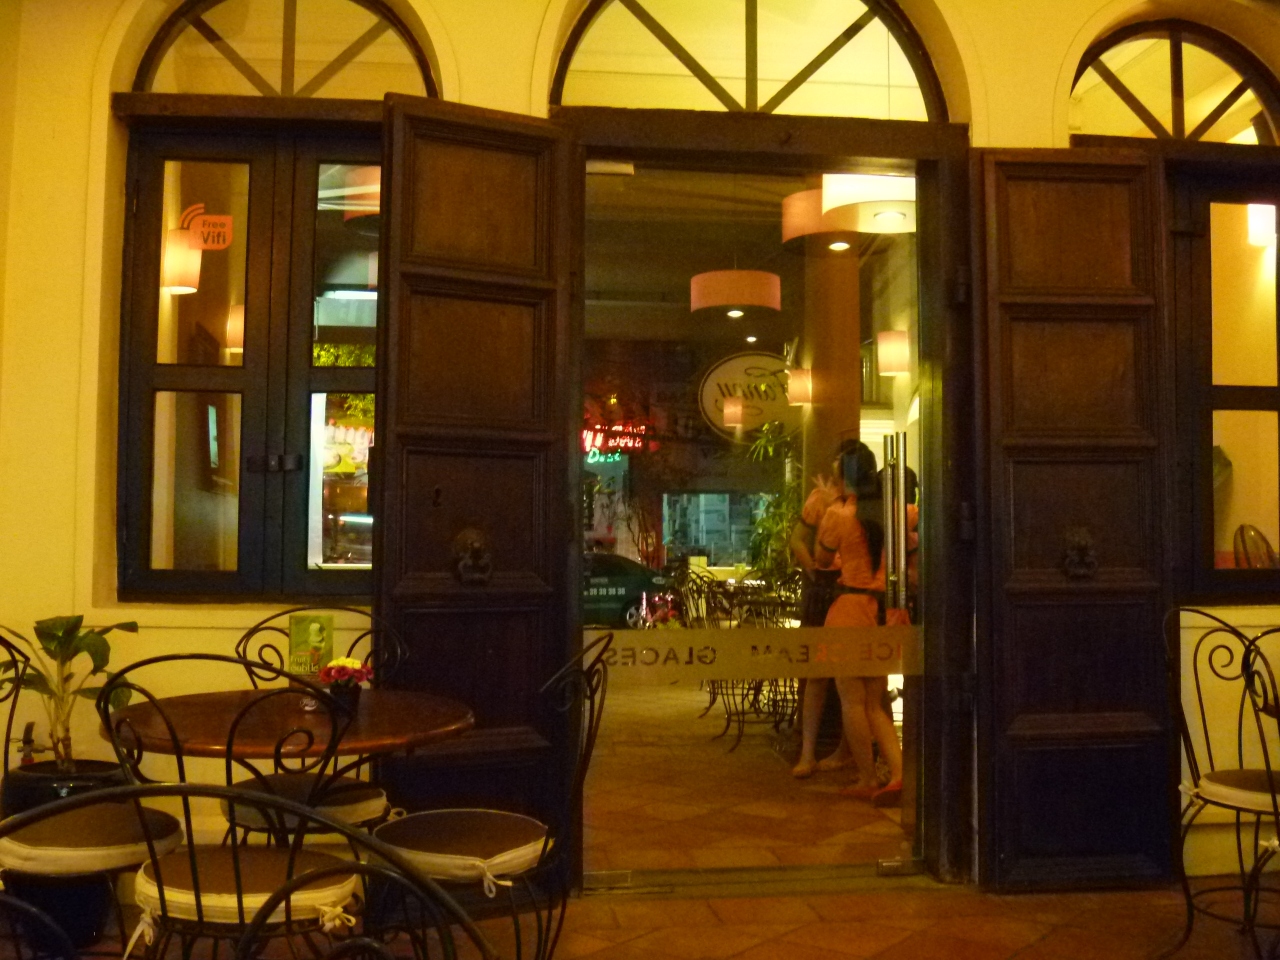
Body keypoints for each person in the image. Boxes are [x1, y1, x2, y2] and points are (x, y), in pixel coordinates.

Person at [815, 440, 904, 805]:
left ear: (844, 479)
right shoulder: (896, 511)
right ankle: (898, 773)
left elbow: (822, 560)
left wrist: (828, 505)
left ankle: (868, 777)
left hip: (850, 608)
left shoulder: (838, 515)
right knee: (875, 701)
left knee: (852, 700)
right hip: (885, 611)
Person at [788, 469, 852, 778]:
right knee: (817, 673)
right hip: (827, 587)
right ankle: (808, 752)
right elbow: (797, 539)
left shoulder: (860, 504)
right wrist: (814, 572)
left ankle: (846, 751)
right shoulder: (820, 499)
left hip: (853, 590)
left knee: (854, 677)